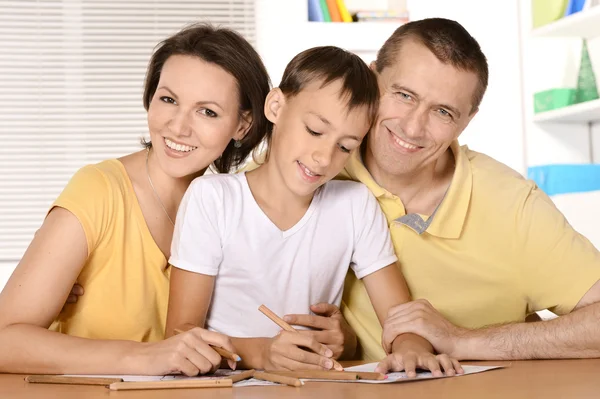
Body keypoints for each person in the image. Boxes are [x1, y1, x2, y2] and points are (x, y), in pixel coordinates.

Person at [165, 46, 462, 376]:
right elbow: (180, 334)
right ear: (276, 106)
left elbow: (400, 319)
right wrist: (261, 353)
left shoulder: (355, 204)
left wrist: (411, 348)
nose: (324, 157)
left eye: (345, 146)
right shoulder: (213, 198)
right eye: (315, 131)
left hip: (319, 385)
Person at [0, 23, 273, 376]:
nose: (178, 126)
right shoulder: (99, 190)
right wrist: (145, 357)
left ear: (243, 125)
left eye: (207, 111)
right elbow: (4, 339)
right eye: (169, 99)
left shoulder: (231, 209)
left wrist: (338, 332)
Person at [329, 17, 600, 371]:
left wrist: (463, 340)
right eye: (404, 95)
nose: (412, 127)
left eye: (443, 112)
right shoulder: (316, 166)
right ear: (371, 80)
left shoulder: (512, 204)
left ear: (467, 119)